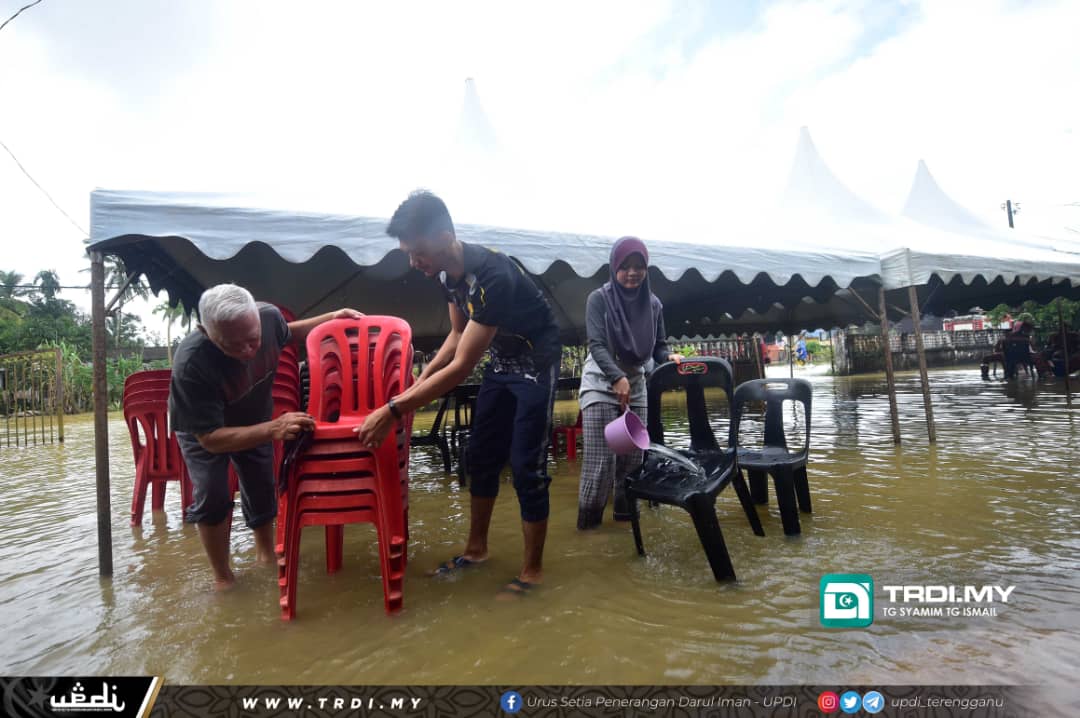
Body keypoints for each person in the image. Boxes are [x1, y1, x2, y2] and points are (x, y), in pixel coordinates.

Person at [355, 190, 562, 598]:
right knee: (480, 455)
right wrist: (414, 387)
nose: (415, 264)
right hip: (503, 363)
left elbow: (463, 367)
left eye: (418, 253)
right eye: (409, 255)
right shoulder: (446, 275)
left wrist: (394, 410)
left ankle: (532, 572)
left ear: (446, 236)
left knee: (526, 467)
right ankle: (476, 551)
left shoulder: (494, 275)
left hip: (536, 362)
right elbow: (455, 335)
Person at [169, 284, 363, 591]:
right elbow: (210, 439)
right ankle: (223, 577)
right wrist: (273, 429)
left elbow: (291, 333)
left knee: (261, 483)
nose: (248, 350)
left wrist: (332, 317)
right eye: (234, 345)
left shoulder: (270, 318)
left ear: (258, 321)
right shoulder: (191, 364)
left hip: (253, 411)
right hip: (205, 428)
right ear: (207, 333)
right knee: (212, 492)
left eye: (253, 339)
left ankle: (265, 557)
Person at [576, 236, 682, 530]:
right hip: (600, 385)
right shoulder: (599, 299)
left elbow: (657, 346)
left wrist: (669, 356)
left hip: (635, 387)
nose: (632, 272)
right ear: (614, 267)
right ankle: (589, 529)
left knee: (632, 462)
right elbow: (596, 345)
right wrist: (616, 377)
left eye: (639, 266)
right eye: (625, 266)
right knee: (601, 464)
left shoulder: (654, 304)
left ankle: (626, 527)